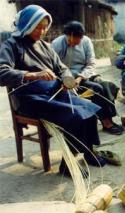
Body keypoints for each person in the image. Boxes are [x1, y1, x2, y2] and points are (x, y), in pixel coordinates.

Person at [0, 5, 106, 176]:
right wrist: (33, 75)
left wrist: (66, 79)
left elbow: (62, 67)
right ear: (27, 24)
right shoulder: (11, 45)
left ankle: (88, 152)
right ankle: (68, 165)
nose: (42, 31)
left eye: (44, 27)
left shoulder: (44, 46)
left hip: (54, 93)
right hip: (29, 98)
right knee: (74, 115)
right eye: (37, 27)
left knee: (89, 109)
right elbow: (1, 72)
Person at [51, 21, 123, 135]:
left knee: (107, 86)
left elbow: (91, 64)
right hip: (67, 80)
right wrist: (68, 80)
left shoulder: (86, 41)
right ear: (68, 35)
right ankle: (106, 122)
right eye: (73, 41)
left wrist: (80, 77)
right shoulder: (57, 44)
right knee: (97, 89)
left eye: (78, 41)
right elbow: (54, 66)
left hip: (85, 75)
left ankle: (108, 120)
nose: (75, 44)